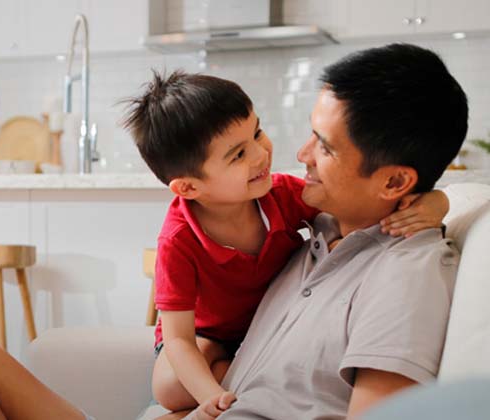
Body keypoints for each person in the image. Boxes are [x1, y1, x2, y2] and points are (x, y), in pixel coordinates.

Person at [0, 42, 468, 420]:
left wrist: (438, 202)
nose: (297, 155)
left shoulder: (403, 271)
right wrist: (439, 198)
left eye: (323, 147)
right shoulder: (320, 222)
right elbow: (181, 343)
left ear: (394, 181)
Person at [121, 71, 448, 415]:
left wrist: (437, 201)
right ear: (189, 188)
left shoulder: (282, 196)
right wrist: (212, 399)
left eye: (257, 133)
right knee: (170, 388)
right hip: (205, 332)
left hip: (260, 332)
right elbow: (178, 339)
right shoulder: (178, 239)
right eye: (238, 155)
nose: (261, 155)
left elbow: (360, 205)